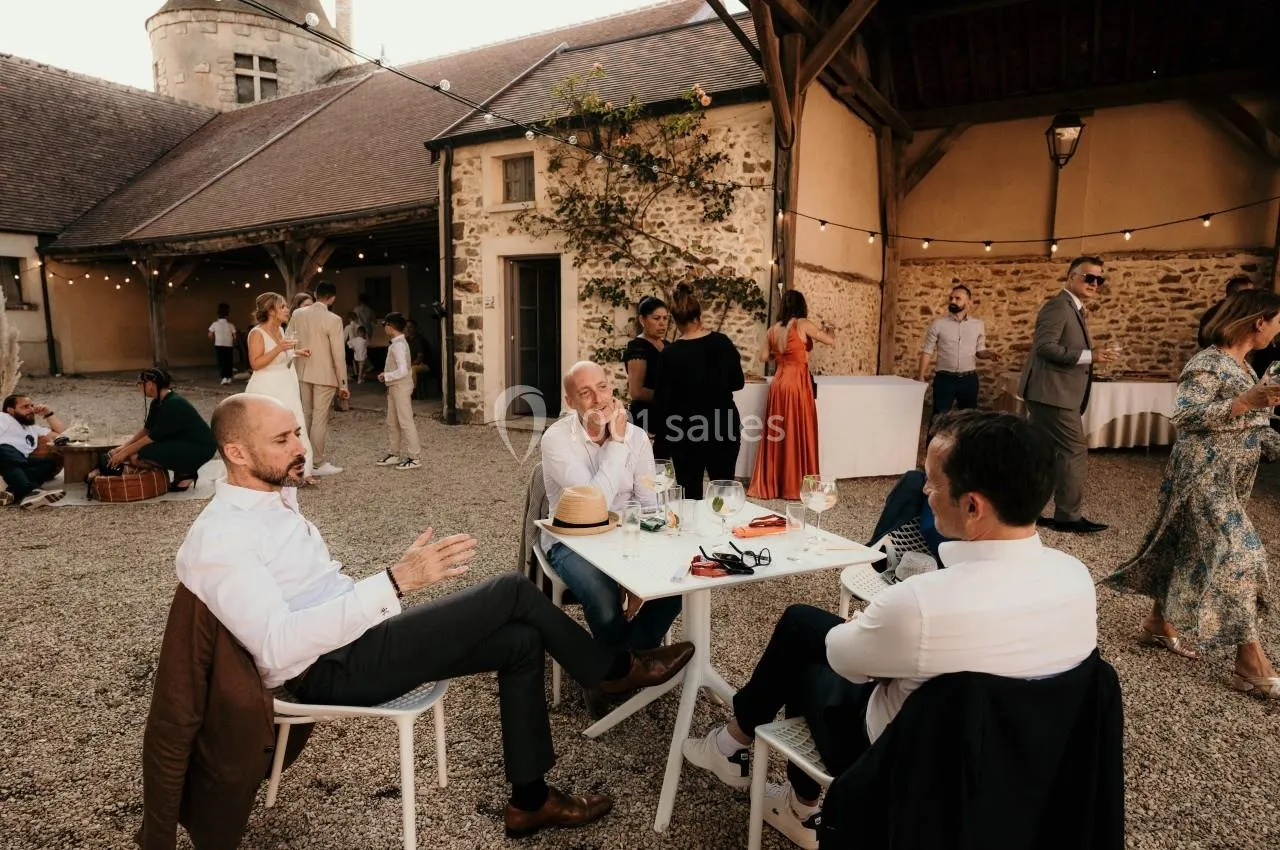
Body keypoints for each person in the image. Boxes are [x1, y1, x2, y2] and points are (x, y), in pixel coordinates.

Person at [179, 393, 696, 839]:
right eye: (282, 439)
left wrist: (381, 585)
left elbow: (314, 593)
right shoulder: (222, 538)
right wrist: (394, 582)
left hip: (355, 637)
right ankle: (611, 670)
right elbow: (276, 648)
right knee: (512, 590)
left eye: (297, 432)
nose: (300, 447)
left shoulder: (271, 499)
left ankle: (531, 801)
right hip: (328, 669)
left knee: (521, 641)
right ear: (236, 452)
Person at [683, 410, 1097, 850]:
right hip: (1023, 769)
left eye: (932, 483)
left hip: (899, 762)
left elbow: (843, 659)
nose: (924, 491)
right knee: (809, 628)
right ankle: (741, 751)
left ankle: (779, 787)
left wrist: (870, 628)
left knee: (803, 640)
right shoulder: (1076, 580)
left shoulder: (923, 603)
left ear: (973, 507)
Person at [1103, 290, 1280, 699]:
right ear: (1258, 321)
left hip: (1230, 480)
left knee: (1181, 544)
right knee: (1241, 556)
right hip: (1203, 477)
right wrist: (1244, 401)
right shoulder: (1207, 362)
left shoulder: (1245, 366)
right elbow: (1185, 414)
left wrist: (1264, 427)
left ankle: (1157, 622)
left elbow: (1248, 422)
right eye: (1277, 323)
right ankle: (1249, 661)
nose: (1277, 332)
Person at [540, 361, 682, 658]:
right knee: (603, 598)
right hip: (572, 540)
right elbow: (594, 504)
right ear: (570, 402)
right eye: (586, 393)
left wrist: (640, 572)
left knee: (678, 581)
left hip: (627, 536)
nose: (599, 399)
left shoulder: (637, 437)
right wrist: (617, 443)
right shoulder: (556, 439)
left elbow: (649, 504)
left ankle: (617, 665)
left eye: (602, 387)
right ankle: (629, 665)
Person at [1017, 256, 1118, 534]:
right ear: (1070, 277)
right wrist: (1090, 356)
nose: (1095, 283)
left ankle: (1025, 510)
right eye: (1089, 277)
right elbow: (1045, 347)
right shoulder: (1058, 306)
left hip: (1051, 393)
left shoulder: (1074, 308)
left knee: (1041, 453)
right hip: (1052, 394)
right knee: (1074, 450)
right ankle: (1068, 517)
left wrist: (1091, 356)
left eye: (1099, 279)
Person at [652, 284, 745, 500]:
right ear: (698, 315)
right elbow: (738, 382)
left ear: (675, 319)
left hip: (685, 430)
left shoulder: (670, 354)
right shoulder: (722, 343)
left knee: (690, 495)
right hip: (723, 426)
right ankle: (722, 521)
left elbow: (663, 401)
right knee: (723, 491)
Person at [748, 290, 833, 501]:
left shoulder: (773, 329)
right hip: (796, 384)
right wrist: (830, 329)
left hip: (778, 384)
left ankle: (773, 484)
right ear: (801, 306)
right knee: (796, 430)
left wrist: (780, 354)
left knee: (778, 432)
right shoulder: (803, 324)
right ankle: (794, 485)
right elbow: (829, 341)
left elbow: (763, 357)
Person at [107, 369, 216, 491]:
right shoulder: (157, 402)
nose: (139, 387)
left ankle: (186, 472)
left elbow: (151, 438)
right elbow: (147, 430)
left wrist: (124, 453)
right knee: (134, 453)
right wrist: (121, 448)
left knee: (136, 457)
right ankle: (183, 470)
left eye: (140, 383)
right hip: (182, 442)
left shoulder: (173, 404)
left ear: (149, 384)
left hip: (199, 447)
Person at [244, 292, 314, 481]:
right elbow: (256, 364)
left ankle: (301, 470)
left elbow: (282, 357)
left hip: (285, 384)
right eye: (282, 306)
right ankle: (269, 469)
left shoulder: (281, 331)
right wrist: (279, 348)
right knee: (269, 429)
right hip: (266, 386)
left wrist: (296, 352)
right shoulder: (257, 333)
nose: (287, 310)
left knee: (294, 424)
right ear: (271, 310)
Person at [287, 280, 349, 478]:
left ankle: (302, 459)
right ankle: (317, 462)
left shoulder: (298, 314)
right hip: (325, 375)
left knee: (305, 415)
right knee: (319, 419)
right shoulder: (334, 319)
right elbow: (338, 354)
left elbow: (287, 341)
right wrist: (343, 383)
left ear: (315, 294)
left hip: (302, 371)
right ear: (332, 298)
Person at [918, 284, 997, 418]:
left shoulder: (978, 325)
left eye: (957, 298)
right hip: (944, 379)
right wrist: (921, 375)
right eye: (951, 298)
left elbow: (980, 351)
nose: (952, 301)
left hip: (969, 380)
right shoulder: (938, 324)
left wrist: (989, 355)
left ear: (968, 302)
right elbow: (927, 351)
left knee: (969, 419)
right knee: (939, 418)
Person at [0, 393, 66, 508]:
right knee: (5, 450)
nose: (31, 409)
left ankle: (12, 493)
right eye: (25, 407)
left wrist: (48, 413)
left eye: (31, 406)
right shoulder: (4, 418)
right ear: (11, 410)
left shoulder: (33, 429)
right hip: (3, 454)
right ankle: (31, 492)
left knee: (49, 464)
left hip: (19, 460)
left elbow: (62, 434)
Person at [376, 312, 419, 471]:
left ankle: (414, 457)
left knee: (406, 421)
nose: (384, 328)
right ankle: (394, 453)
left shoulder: (398, 346)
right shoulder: (398, 343)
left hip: (401, 386)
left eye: (385, 325)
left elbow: (403, 370)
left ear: (390, 326)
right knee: (392, 421)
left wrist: (386, 375)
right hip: (395, 386)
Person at [623, 296, 669, 444]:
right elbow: (636, 392)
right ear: (643, 320)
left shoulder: (667, 345)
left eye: (665, 318)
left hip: (668, 417)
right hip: (646, 418)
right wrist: (669, 394)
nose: (662, 323)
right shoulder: (638, 347)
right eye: (656, 318)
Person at [1197, 274, 1257, 350]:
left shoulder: (1250, 312)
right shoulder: (1213, 314)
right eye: (1249, 294)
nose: (1252, 298)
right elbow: (1203, 340)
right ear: (1234, 295)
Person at [208, 303, 238, 386]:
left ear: (218, 316)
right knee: (229, 361)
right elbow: (235, 336)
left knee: (222, 362)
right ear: (226, 316)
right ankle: (229, 377)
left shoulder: (214, 324)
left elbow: (210, 335)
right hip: (229, 345)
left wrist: (216, 336)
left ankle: (224, 378)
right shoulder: (231, 325)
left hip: (219, 344)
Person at [342, 311, 360, 378]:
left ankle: (354, 373)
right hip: (359, 345)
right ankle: (359, 373)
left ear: (349, 319)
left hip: (351, 346)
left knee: (351, 359)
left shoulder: (348, 327)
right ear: (356, 318)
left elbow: (344, 338)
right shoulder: (359, 326)